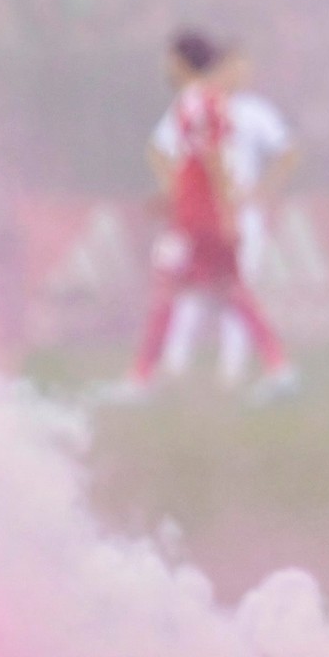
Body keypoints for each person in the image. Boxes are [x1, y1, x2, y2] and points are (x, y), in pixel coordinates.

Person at [119, 30, 293, 403]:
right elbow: (202, 161)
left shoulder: (198, 101)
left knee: (169, 290)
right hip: (201, 213)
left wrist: (220, 207)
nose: (165, 66)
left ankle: (140, 380)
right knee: (231, 293)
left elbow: (213, 158)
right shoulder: (207, 101)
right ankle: (280, 369)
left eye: (169, 59)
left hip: (197, 220)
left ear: (182, 62)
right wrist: (176, 194)